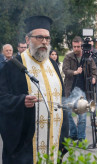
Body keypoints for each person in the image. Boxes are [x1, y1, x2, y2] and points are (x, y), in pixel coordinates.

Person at [0, 16, 68, 163]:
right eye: (39, 37)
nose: (44, 42)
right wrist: (20, 101)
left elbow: (62, 102)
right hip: (25, 145)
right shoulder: (14, 66)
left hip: (53, 141)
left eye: (47, 38)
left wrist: (64, 137)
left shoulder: (54, 66)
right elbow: (2, 98)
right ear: (27, 39)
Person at [63, 36, 97, 142]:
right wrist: (75, 72)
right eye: (74, 47)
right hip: (71, 90)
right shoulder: (68, 57)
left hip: (84, 90)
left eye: (78, 46)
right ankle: (73, 133)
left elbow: (94, 70)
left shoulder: (88, 58)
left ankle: (81, 137)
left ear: (82, 46)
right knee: (67, 113)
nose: (76, 49)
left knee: (82, 115)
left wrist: (94, 78)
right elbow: (65, 70)